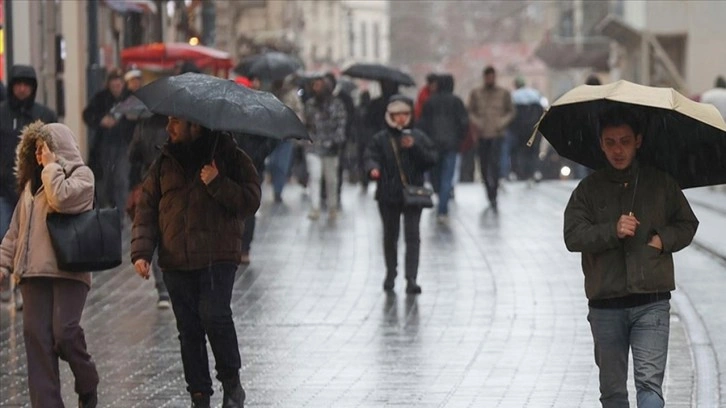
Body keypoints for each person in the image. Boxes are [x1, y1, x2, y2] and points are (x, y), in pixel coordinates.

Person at [563, 106, 699, 408]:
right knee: (612, 394)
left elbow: (687, 224)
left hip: (651, 301)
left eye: (624, 141)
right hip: (605, 304)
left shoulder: (661, 183)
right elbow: (573, 236)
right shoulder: (588, 190)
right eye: (610, 142)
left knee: (649, 387)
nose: (618, 150)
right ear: (600, 143)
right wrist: (612, 230)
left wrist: (663, 240)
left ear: (638, 140)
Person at [132, 117, 260, 408]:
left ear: (195, 125)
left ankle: (231, 384)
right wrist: (142, 251)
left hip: (218, 256)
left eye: (175, 122)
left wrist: (218, 183)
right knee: (189, 329)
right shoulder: (164, 161)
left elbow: (251, 200)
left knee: (215, 316)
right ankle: (199, 395)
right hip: (176, 258)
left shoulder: (230, 155)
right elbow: (147, 207)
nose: (169, 128)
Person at [0, 121, 99, 408]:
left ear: (60, 149)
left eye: (44, 148)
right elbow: (15, 231)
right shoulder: (31, 186)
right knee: (38, 345)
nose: (40, 155)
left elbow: (62, 200)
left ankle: (88, 382)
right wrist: (4, 264)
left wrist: (52, 167)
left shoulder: (82, 176)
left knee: (65, 334)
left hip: (68, 271)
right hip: (32, 275)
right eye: (37, 150)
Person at [365, 95, 437, 294]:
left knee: (412, 236)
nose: (401, 119)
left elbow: (431, 160)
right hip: (388, 194)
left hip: (413, 194)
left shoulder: (418, 136)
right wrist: (373, 169)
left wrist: (414, 147)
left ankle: (411, 277)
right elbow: (370, 156)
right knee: (390, 235)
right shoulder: (381, 139)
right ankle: (391, 272)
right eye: (396, 115)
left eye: (405, 114)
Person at [0, 64, 57, 309]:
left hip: (34, 190)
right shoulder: (2, 114)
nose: (22, 89)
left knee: (31, 241)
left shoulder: (43, 115)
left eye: (27, 85)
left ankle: (24, 285)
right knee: (5, 235)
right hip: (3, 189)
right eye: (18, 84)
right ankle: (4, 280)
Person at [418, 74, 468, 224]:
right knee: (447, 176)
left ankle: (441, 199)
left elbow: (423, 123)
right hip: (451, 145)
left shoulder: (430, 102)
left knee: (436, 176)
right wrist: (459, 139)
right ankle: (443, 209)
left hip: (434, 144)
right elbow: (464, 123)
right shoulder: (456, 102)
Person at [467, 66, 515, 212]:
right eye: (487, 77)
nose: (490, 79)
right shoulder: (476, 93)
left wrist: (502, 122)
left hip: (497, 134)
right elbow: (470, 111)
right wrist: (477, 122)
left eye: (492, 76)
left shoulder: (503, 93)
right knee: (483, 165)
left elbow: (511, 111)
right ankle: (488, 190)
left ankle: (494, 193)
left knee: (495, 165)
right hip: (482, 135)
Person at [82, 68, 129, 209]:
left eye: (119, 83)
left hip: (123, 146)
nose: (117, 87)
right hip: (103, 146)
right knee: (103, 182)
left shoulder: (130, 99)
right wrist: (101, 120)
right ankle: (103, 211)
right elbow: (88, 115)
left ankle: (119, 214)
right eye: (114, 83)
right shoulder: (100, 98)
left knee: (120, 181)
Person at [303, 76, 347, 220]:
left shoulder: (337, 104)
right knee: (315, 176)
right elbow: (306, 123)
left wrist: (337, 140)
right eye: (314, 85)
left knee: (331, 179)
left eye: (319, 85)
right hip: (313, 146)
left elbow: (341, 123)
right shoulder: (310, 104)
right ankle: (314, 208)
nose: (316, 88)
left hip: (331, 147)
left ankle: (332, 207)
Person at [509, 76, 544, 182]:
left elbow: (511, 115)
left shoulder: (513, 96)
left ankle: (518, 172)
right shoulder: (535, 94)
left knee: (518, 151)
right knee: (533, 151)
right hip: (534, 128)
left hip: (519, 129)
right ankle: (534, 171)